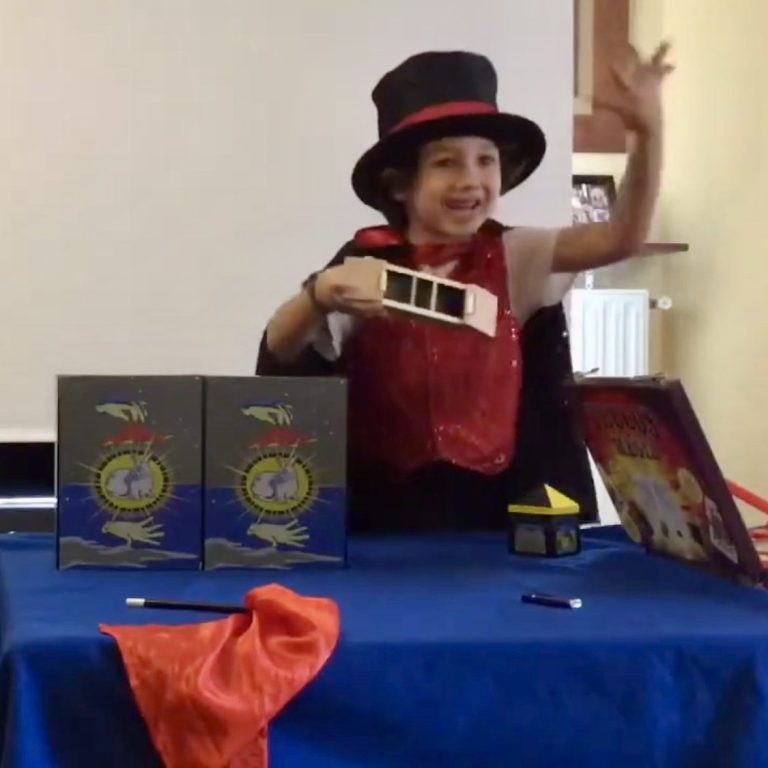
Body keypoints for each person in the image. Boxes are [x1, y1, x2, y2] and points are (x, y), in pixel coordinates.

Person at [256, 45, 674, 533]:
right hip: (382, 523)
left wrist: (647, 134)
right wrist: (318, 295)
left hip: (499, 521)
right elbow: (280, 350)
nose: (470, 180)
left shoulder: (520, 256)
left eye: (485, 160)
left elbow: (621, 238)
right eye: (446, 163)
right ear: (399, 185)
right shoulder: (364, 264)